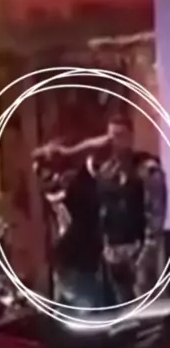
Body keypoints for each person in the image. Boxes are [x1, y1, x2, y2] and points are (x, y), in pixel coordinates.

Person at [34, 114, 167, 305]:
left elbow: (155, 218)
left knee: (144, 309)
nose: (115, 143)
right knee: (120, 310)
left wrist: (146, 256)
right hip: (112, 255)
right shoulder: (106, 170)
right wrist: (68, 152)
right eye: (111, 137)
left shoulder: (146, 169)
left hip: (138, 251)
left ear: (131, 137)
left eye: (120, 136)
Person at [34, 152, 105, 309]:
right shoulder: (71, 187)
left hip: (73, 254)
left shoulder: (68, 187)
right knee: (80, 299)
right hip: (75, 254)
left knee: (75, 298)